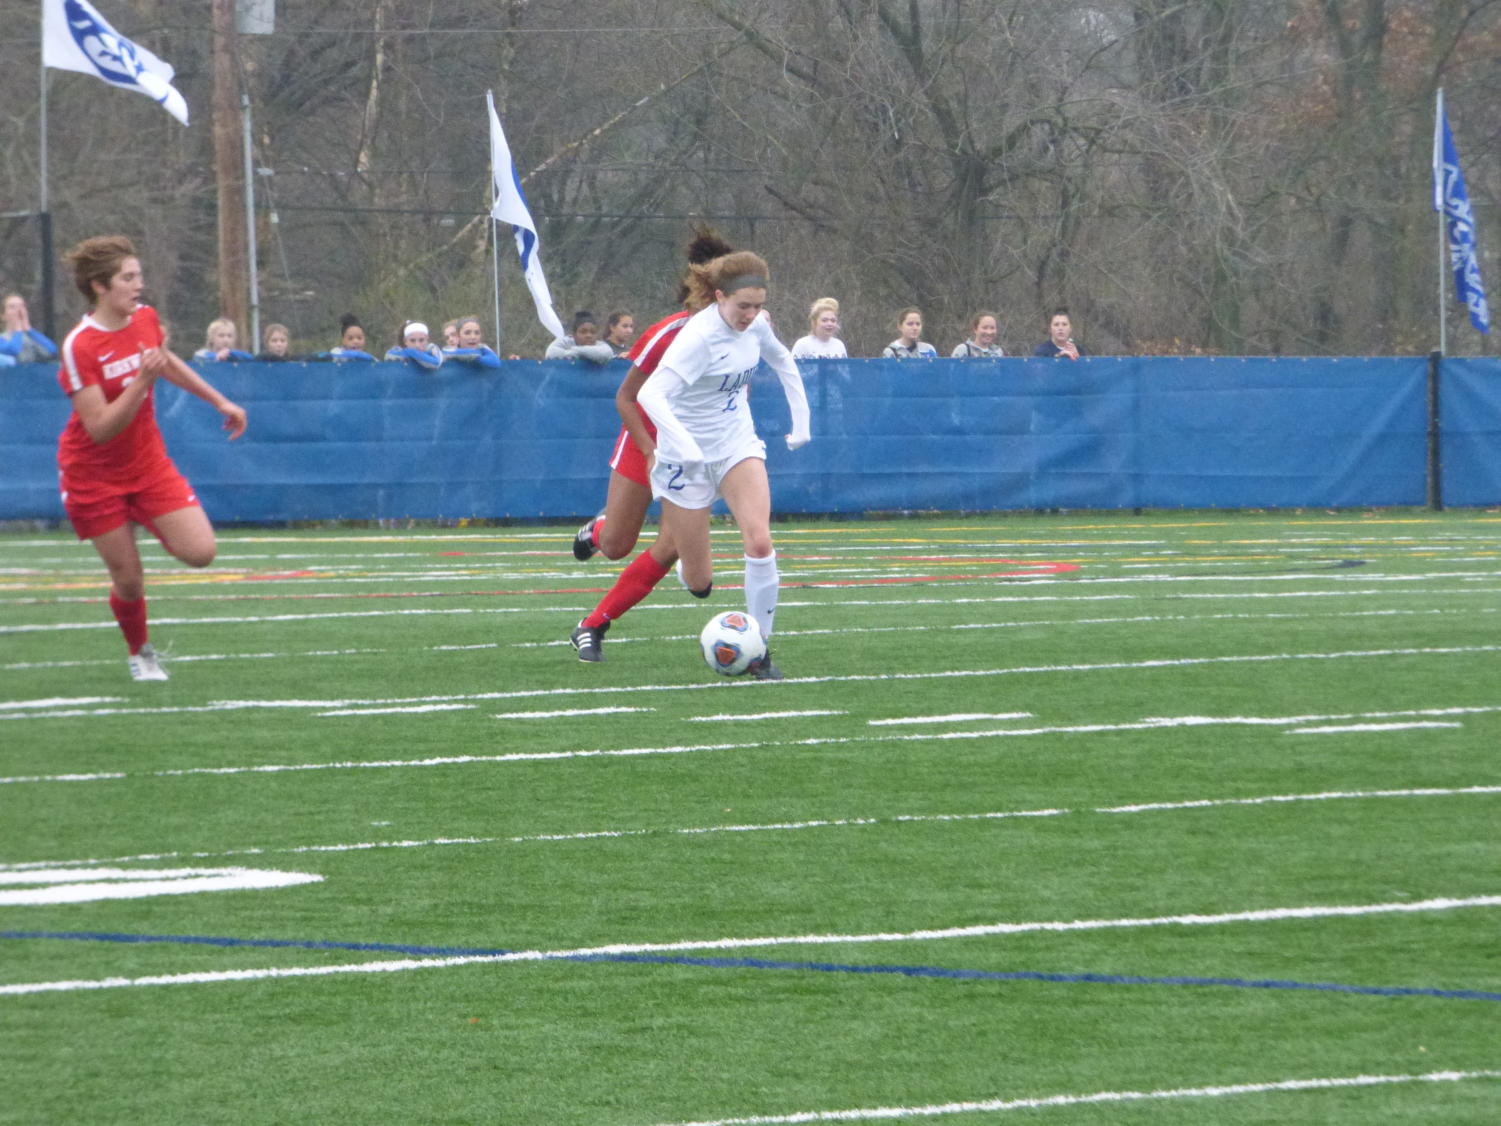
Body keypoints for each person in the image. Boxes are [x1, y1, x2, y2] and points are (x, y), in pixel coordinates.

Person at [570, 250, 811, 680]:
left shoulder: (755, 324)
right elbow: (634, 397)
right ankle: (602, 530)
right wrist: (656, 452)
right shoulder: (679, 335)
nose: (752, 314)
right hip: (659, 442)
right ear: (716, 294)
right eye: (744, 305)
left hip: (732, 446)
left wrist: (801, 422)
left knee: (758, 541)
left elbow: (768, 366)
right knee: (669, 569)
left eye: (758, 305)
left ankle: (759, 652)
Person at [55, 235, 247, 682]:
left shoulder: (144, 319)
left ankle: (144, 518)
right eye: (128, 277)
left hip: (146, 465)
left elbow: (165, 361)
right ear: (100, 286)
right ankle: (140, 651)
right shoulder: (79, 345)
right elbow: (100, 427)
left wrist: (220, 401)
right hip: (93, 474)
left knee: (201, 552)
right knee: (130, 579)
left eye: (138, 275)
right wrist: (140, 382)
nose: (138, 284)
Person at [571, 227, 736, 565]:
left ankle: (602, 617)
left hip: (693, 444)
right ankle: (598, 530)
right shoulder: (667, 334)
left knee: (675, 544)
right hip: (647, 438)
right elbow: (626, 397)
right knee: (616, 546)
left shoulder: (740, 335)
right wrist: (649, 451)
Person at [1, 293, 59, 364]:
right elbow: (13, 350)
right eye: (12, 307)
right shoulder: (2, 339)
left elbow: (51, 350)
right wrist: (18, 329)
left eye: (22, 306)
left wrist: (29, 329)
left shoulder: (32, 337)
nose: (18, 310)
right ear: (3, 316)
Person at [546, 310, 616, 364]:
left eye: (593, 332)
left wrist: (577, 351)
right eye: (583, 332)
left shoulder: (600, 345)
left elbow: (607, 353)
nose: (589, 335)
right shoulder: (566, 341)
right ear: (574, 335)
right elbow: (550, 353)